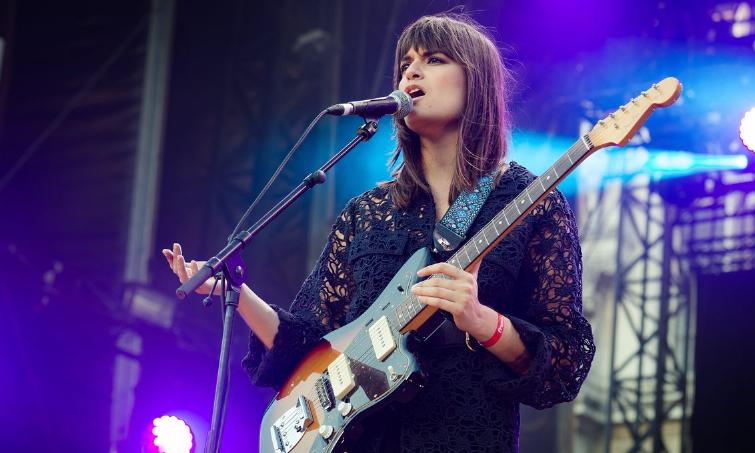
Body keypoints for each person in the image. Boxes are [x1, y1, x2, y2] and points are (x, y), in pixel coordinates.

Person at [164, 13, 594, 452]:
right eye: (406, 62)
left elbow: (565, 363)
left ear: (476, 82)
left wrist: (484, 322)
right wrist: (237, 293)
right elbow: (308, 348)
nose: (411, 71)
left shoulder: (532, 201)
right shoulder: (367, 214)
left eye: (434, 59)